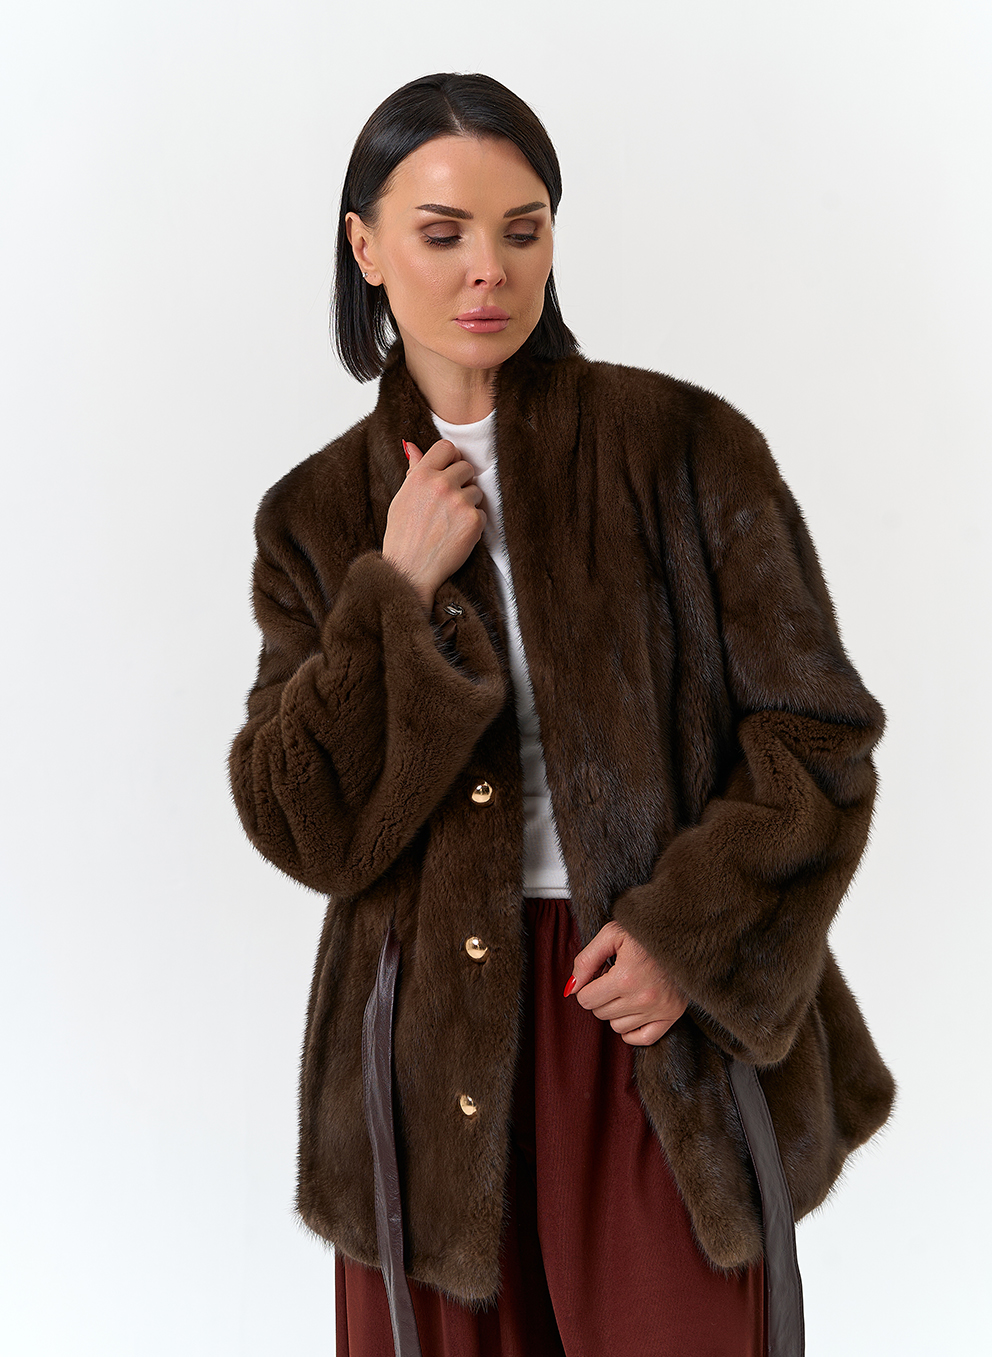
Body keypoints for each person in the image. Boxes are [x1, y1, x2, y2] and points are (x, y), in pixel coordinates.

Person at [229, 72, 894, 1357]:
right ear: (365, 247)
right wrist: (391, 594)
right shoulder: (314, 516)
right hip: (427, 1055)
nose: (488, 268)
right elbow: (305, 823)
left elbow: (815, 736)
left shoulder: (682, 448)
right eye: (442, 233)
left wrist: (687, 938)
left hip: (646, 1017)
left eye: (521, 229)